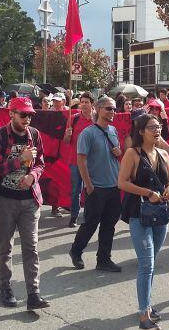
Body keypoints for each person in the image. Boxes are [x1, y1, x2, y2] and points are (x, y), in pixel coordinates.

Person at [0, 97, 50, 311]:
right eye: (23, 114)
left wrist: (32, 175)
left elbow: (41, 162)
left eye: (30, 114)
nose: (27, 118)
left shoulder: (35, 135)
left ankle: (34, 294)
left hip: (30, 200)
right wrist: (20, 160)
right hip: (5, 200)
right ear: (11, 114)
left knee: (31, 247)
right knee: (6, 247)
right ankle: (6, 288)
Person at [118, 113, 169, 329]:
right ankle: (144, 315)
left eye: (158, 126)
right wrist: (147, 192)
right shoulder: (132, 154)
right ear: (141, 131)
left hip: (161, 213)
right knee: (147, 264)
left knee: (151, 265)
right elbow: (122, 183)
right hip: (138, 213)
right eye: (151, 127)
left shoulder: (163, 153)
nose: (157, 130)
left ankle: (147, 305)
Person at [69, 96, 123, 273]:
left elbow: (117, 154)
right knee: (91, 224)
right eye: (108, 108)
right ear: (98, 109)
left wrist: (119, 152)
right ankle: (76, 251)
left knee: (109, 225)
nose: (112, 112)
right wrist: (89, 185)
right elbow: (81, 160)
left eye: (114, 109)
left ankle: (104, 259)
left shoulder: (114, 130)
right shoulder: (88, 133)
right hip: (96, 188)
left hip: (113, 186)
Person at [63, 92, 95, 228]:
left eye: (87, 102)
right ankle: (74, 216)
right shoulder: (73, 118)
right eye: (82, 102)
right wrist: (68, 135)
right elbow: (65, 141)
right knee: (76, 189)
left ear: (92, 104)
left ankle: (88, 216)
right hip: (75, 161)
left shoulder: (97, 119)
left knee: (90, 189)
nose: (84, 104)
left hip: (92, 161)